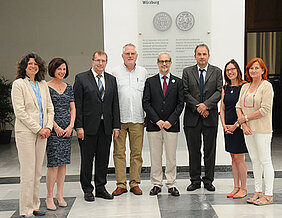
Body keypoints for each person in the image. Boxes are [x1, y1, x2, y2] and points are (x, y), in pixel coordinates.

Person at [73, 51, 120, 202]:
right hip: (87, 127)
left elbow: (115, 104)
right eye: (98, 60)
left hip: (105, 127)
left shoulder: (111, 79)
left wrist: (116, 126)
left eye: (103, 61)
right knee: (87, 159)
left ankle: (101, 187)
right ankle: (87, 189)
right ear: (92, 61)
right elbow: (77, 105)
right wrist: (78, 126)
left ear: (107, 62)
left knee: (103, 158)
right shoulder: (81, 78)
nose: (100, 63)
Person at [11, 53, 54, 218]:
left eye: (35, 64)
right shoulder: (19, 84)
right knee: (28, 172)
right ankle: (26, 210)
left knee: (37, 172)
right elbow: (20, 112)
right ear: (24, 66)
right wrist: (38, 128)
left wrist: (48, 127)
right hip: (27, 133)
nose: (33, 66)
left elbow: (50, 108)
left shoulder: (43, 84)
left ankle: (35, 205)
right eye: (29, 64)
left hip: (43, 133)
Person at [182, 44, 223, 192]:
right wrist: (199, 107)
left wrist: (206, 105)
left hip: (210, 117)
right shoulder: (187, 72)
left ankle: (208, 180)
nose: (201, 57)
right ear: (195, 56)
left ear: (208, 56)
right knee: (194, 151)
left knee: (209, 150)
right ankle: (195, 180)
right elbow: (185, 93)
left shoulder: (217, 72)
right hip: (192, 118)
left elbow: (219, 92)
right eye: (199, 54)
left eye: (204, 54)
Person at [143, 52, 184, 196]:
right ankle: (156, 184)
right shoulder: (150, 81)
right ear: (157, 63)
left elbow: (180, 104)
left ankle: (171, 184)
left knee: (171, 157)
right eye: (161, 61)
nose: (164, 64)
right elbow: (146, 103)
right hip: (154, 125)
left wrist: (170, 121)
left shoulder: (178, 82)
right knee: (155, 156)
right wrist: (157, 120)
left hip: (171, 126)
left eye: (166, 61)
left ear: (171, 63)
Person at [111, 43, 148, 196]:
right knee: (119, 153)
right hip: (119, 120)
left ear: (136, 56)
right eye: (127, 53)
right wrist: (113, 121)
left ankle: (134, 183)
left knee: (136, 153)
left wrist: (147, 116)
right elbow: (111, 99)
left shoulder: (143, 72)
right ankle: (121, 184)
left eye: (133, 53)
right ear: (122, 56)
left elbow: (147, 97)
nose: (130, 56)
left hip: (138, 119)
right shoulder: (114, 73)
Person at [236, 57, 274, 206]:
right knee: (255, 161)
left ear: (263, 70)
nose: (253, 70)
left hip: (262, 129)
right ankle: (258, 191)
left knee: (265, 161)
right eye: (251, 68)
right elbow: (238, 106)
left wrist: (245, 117)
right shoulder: (245, 87)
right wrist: (244, 124)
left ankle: (269, 194)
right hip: (248, 130)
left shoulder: (267, 86)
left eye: (257, 68)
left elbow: (265, 109)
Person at [45, 58, 76, 210]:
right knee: (53, 164)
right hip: (53, 130)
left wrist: (71, 126)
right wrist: (54, 126)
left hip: (67, 130)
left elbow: (72, 108)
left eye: (64, 69)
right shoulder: (46, 87)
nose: (62, 72)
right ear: (53, 69)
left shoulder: (68, 87)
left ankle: (60, 194)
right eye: (59, 69)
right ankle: (49, 196)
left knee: (63, 163)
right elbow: (45, 110)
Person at [219, 59, 248, 199]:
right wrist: (224, 125)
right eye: (227, 70)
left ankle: (243, 188)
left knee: (240, 158)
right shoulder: (225, 88)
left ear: (238, 70)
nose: (230, 72)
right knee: (232, 157)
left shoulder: (245, 86)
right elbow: (222, 108)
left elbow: (244, 108)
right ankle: (236, 187)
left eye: (232, 69)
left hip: (240, 127)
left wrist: (236, 125)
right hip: (228, 127)